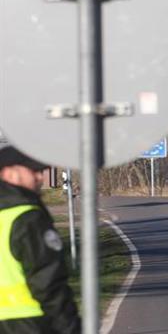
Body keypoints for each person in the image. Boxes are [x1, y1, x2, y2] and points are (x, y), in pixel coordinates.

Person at [0, 138, 81, 333]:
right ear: (9, 173)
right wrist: (69, 327)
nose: (39, 178)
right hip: (29, 322)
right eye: (33, 171)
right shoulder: (27, 218)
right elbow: (47, 280)